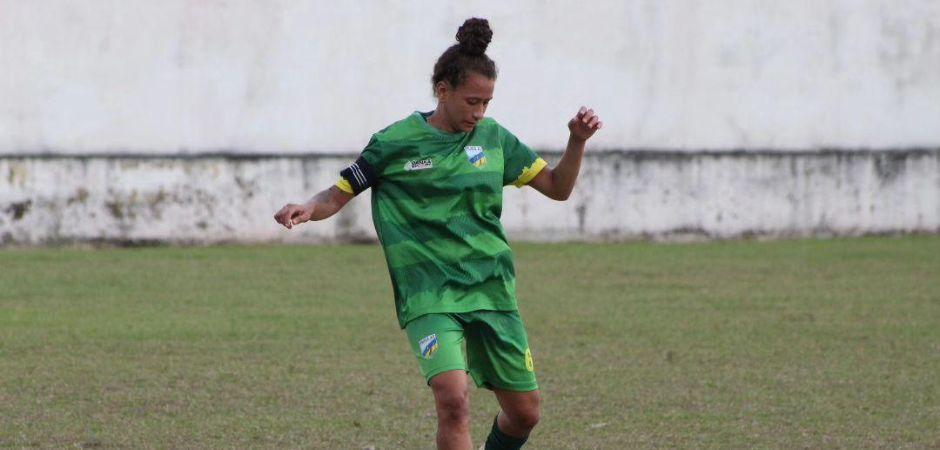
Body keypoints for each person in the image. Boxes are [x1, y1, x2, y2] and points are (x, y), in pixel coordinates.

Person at [274, 17, 602, 450]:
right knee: (453, 401)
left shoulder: (495, 139)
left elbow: (558, 188)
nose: (479, 112)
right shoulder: (394, 142)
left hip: (491, 289)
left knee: (525, 414)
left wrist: (576, 141)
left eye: (487, 103)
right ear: (442, 91)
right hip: (429, 292)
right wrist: (308, 208)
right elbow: (336, 195)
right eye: (472, 101)